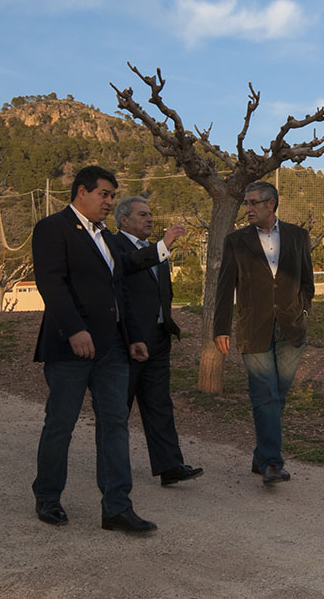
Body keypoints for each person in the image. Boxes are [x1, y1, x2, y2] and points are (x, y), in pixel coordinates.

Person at [31, 165, 159, 533]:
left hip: (112, 349)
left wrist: (133, 336)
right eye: (104, 194)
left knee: (115, 424)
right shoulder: (53, 228)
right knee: (61, 424)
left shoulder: (106, 236)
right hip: (69, 348)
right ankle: (48, 497)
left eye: (112, 196)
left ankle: (117, 507)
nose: (109, 202)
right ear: (81, 192)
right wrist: (75, 330)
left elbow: (119, 289)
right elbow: (51, 284)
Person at [213, 181, 314, 485]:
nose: (247, 208)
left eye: (253, 202)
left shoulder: (298, 236)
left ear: (271, 204)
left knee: (277, 396)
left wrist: (303, 312)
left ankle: (261, 457)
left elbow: (307, 282)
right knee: (264, 395)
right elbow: (224, 286)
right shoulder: (236, 241)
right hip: (253, 330)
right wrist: (221, 328)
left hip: (291, 330)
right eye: (246, 203)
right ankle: (271, 463)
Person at [113, 195, 203, 487]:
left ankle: (170, 466)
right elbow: (125, 282)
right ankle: (112, 468)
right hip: (128, 342)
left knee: (159, 404)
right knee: (118, 408)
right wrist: (162, 246)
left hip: (159, 339)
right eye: (142, 214)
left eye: (151, 213)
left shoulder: (157, 250)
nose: (150, 219)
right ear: (124, 219)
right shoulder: (115, 247)